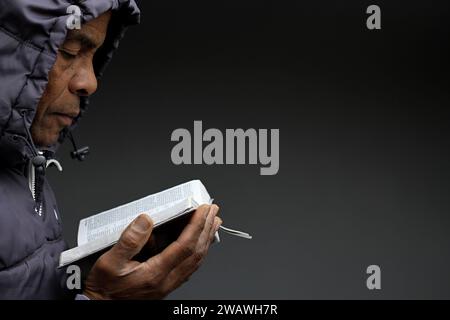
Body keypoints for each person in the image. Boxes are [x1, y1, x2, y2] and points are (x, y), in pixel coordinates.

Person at [0, 0, 222, 299]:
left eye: (93, 56)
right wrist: (101, 297)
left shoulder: (23, 165)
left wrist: (96, 271)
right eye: (69, 51)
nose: (90, 82)